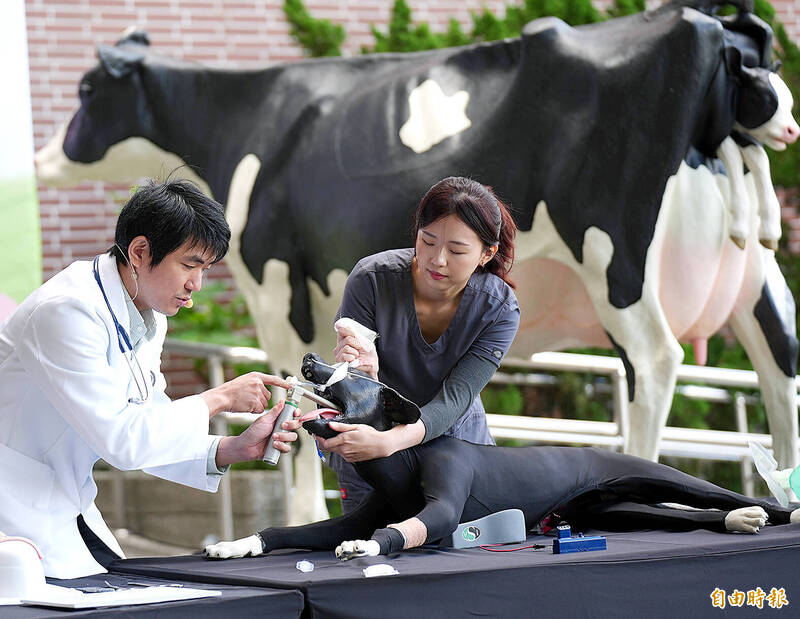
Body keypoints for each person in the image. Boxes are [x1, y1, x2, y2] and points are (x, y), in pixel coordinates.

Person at [205, 354, 800, 561]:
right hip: (556, 517)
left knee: (653, 482)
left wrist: (385, 543)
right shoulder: (391, 487)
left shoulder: (442, 454)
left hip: (577, 470)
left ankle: (767, 510)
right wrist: (259, 541)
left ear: (384, 420)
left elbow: (441, 515)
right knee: (622, 517)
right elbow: (338, 527)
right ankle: (717, 521)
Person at [0, 178, 300, 579]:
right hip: (13, 507)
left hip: (63, 500)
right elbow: (123, 441)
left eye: (205, 269)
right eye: (190, 265)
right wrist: (219, 399)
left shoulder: (147, 312)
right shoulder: (65, 311)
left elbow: (149, 424)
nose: (196, 285)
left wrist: (231, 448)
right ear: (140, 251)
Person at [318, 176, 520, 512]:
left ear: (487, 253)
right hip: (372, 440)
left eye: (457, 250)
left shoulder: (498, 308)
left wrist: (390, 442)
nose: (437, 260)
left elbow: (455, 399)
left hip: (456, 449)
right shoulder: (371, 280)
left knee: (463, 555)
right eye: (427, 241)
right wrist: (365, 371)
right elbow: (353, 385)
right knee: (365, 551)